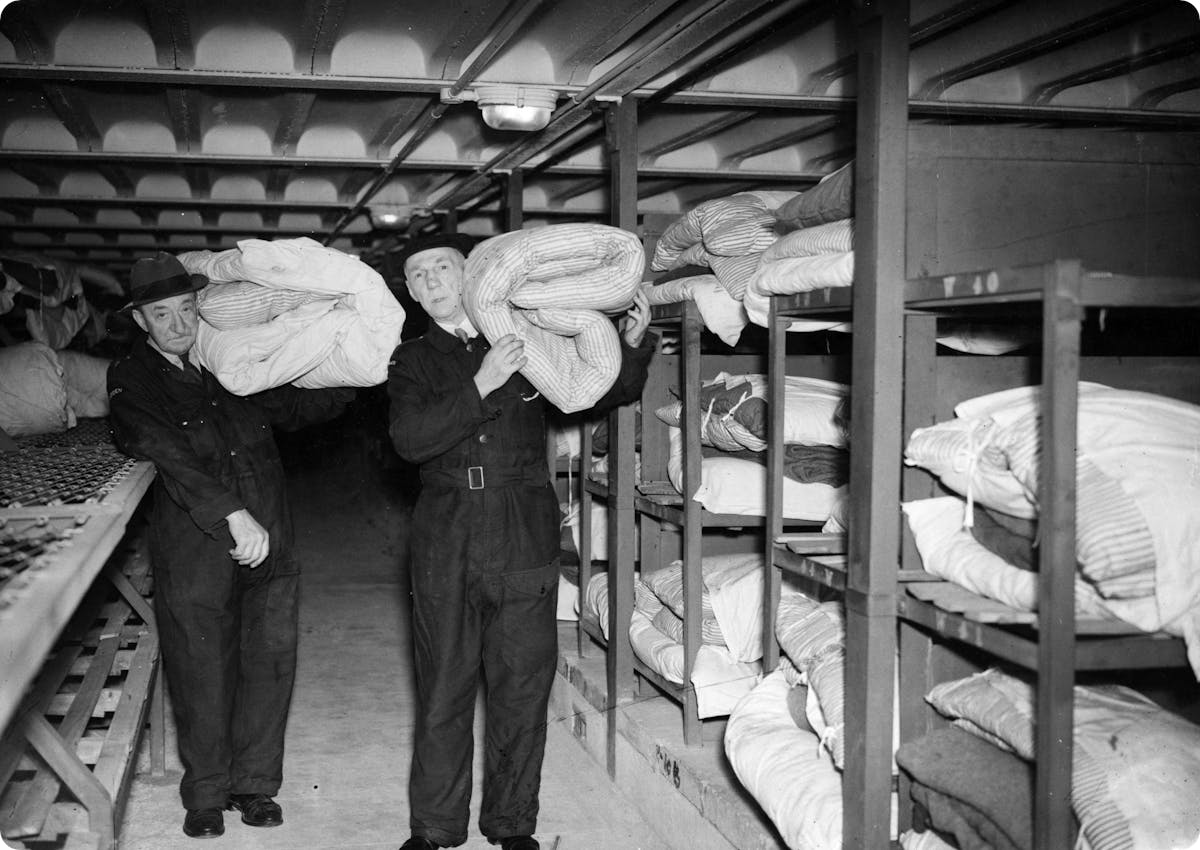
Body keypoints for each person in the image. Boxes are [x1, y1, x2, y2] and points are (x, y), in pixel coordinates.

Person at [387, 232, 654, 850]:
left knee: (522, 687)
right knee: (444, 689)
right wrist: (480, 383)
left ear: (470, 272)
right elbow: (409, 439)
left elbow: (596, 389)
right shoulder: (412, 361)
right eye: (418, 275)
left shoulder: (525, 334)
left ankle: (511, 825)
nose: (431, 283)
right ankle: (433, 828)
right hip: (446, 532)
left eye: (442, 269)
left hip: (522, 527)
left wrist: (630, 349)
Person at [107, 252, 354, 839]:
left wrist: (360, 365)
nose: (177, 323)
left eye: (185, 309)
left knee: (269, 661)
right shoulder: (131, 378)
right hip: (197, 540)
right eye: (160, 314)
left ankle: (256, 787)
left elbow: (295, 404)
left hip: (271, 531)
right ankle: (207, 795)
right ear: (141, 320)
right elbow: (163, 448)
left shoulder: (226, 359)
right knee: (202, 667)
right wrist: (232, 515)